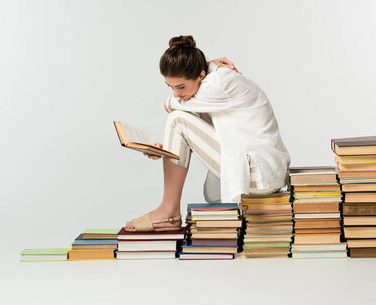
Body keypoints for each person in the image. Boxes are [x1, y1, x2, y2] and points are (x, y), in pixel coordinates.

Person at [124, 35, 291, 232]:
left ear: (201, 75)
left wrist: (173, 99)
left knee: (177, 118)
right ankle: (170, 210)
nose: (176, 93)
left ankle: (168, 210)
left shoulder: (219, 84)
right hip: (257, 167)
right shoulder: (205, 84)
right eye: (170, 87)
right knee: (211, 193)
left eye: (180, 86)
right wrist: (165, 151)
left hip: (260, 171)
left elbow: (169, 105)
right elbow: (191, 131)